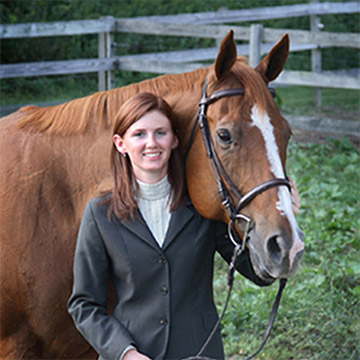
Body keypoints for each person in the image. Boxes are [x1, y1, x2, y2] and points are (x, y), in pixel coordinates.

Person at [68, 92, 301, 360]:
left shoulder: (202, 207)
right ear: (121, 144)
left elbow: (258, 271)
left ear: (174, 139)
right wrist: (125, 353)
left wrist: (283, 217)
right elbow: (84, 305)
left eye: (161, 132)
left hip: (199, 352)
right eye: (139, 134)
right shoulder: (100, 214)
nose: (151, 143)